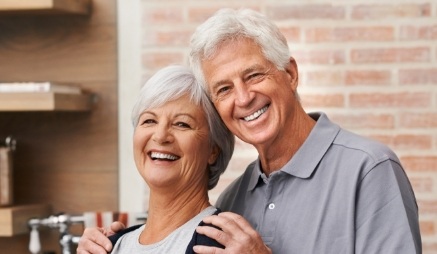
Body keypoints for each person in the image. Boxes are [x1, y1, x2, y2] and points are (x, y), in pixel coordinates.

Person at [79, 8, 422, 254]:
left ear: (290, 74)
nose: (243, 98)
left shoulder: (368, 170)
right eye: (224, 89)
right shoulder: (233, 201)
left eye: (254, 75)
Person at [76, 65, 235, 254]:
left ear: (213, 150)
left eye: (182, 124)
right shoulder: (112, 244)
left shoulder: (219, 246)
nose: (160, 136)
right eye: (149, 121)